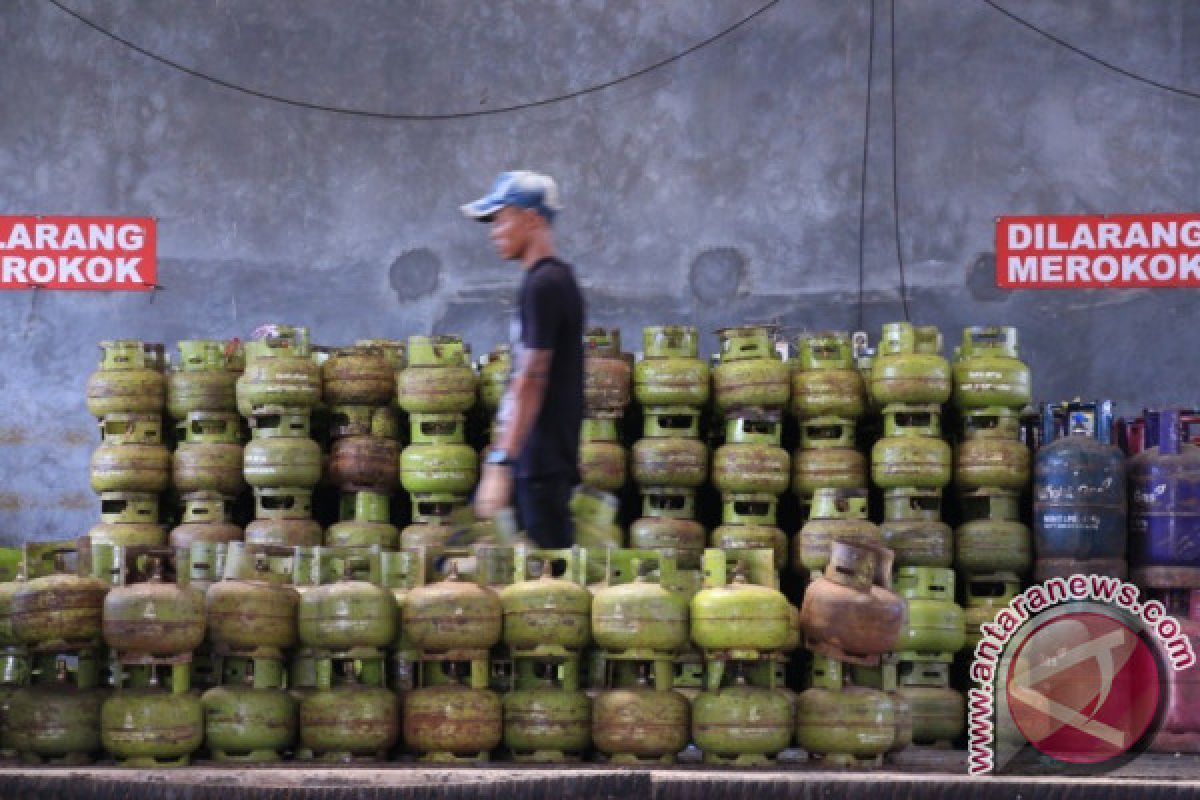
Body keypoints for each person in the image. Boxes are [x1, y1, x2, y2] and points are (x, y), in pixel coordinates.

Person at [461, 171, 585, 549]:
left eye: (501, 217)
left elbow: (532, 377)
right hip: (534, 460)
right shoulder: (551, 281)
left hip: (538, 463)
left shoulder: (544, 286)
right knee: (465, 548)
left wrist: (502, 462)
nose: (494, 231)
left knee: (549, 582)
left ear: (532, 218)